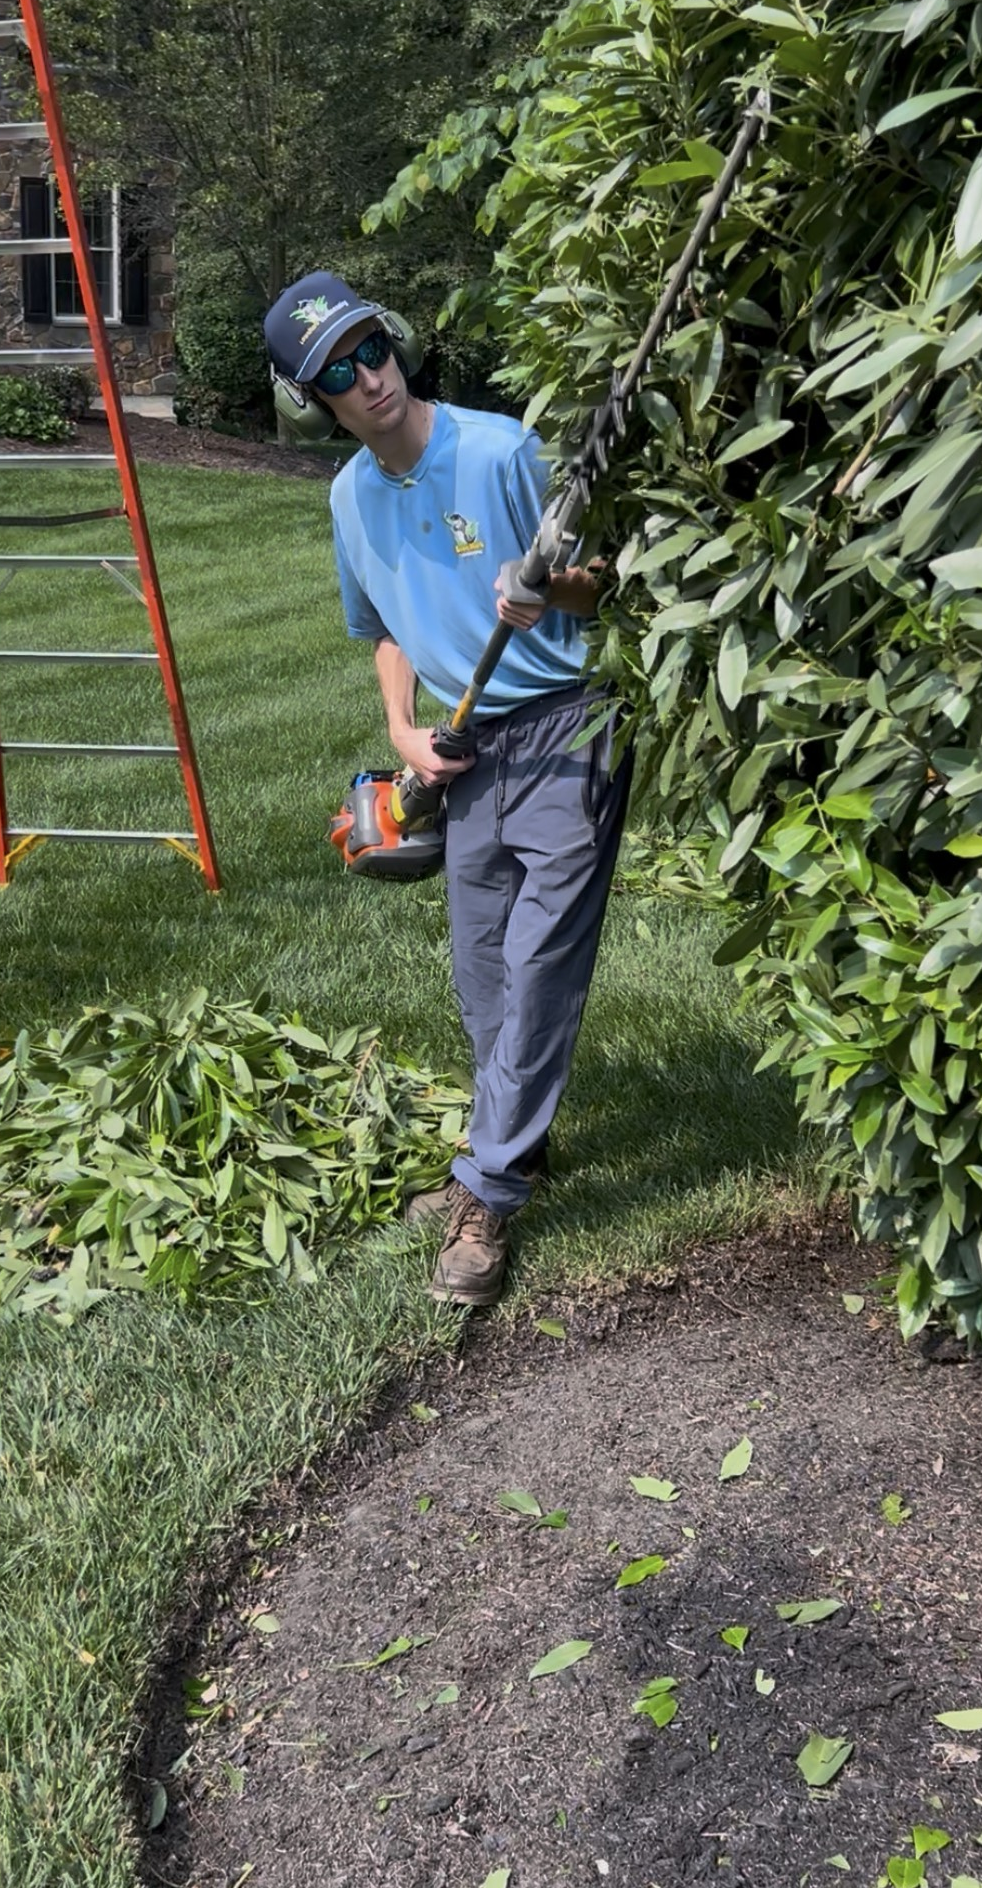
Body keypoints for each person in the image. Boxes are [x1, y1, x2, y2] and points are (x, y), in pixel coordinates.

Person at [264, 272, 632, 1308]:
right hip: (464, 753)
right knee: (483, 974)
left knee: (539, 961)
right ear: (311, 397)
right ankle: (514, 1138)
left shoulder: (500, 448)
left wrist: (545, 585)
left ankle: (489, 1193)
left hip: (570, 724)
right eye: (336, 371)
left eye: (370, 348)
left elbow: (600, 576)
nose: (367, 376)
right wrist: (401, 731)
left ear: (396, 343)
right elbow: (375, 624)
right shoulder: (349, 499)